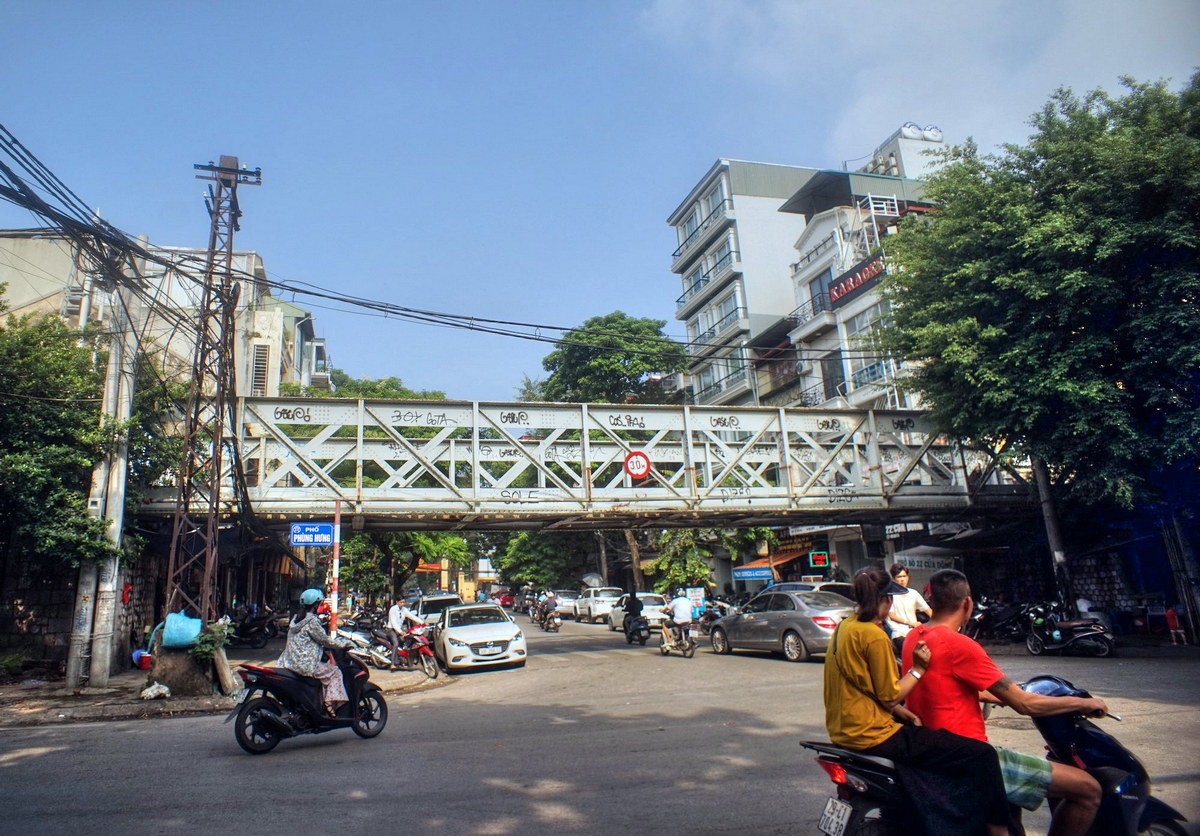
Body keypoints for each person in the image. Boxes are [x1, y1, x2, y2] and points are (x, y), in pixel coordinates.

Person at [902, 569, 1106, 836]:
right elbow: (1026, 705)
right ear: (967, 603)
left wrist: (994, 695)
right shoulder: (960, 645)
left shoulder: (913, 638)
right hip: (972, 756)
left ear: (932, 603)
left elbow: (942, 685)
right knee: (1088, 790)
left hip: (936, 748)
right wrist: (1082, 704)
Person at [824, 566, 1009, 836]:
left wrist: (904, 712)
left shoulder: (845, 627)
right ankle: (998, 828)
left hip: (843, 730)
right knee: (982, 755)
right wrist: (919, 669)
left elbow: (867, 686)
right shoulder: (874, 636)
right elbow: (889, 696)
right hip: (872, 734)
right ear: (886, 600)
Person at [277, 588, 349, 717]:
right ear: (316, 605)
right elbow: (326, 641)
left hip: (288, 663)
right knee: (335, 672)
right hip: (305, 666)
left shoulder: (295, 620)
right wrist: (344, 644)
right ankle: (329, 704)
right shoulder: (312, 622)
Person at [887, 562, 932, 655]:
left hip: (915, 632)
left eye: (904, 576)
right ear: (893, 579)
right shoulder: (890, 595)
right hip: (899, 633)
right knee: (912, 651)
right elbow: (891, 615)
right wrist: (910, 623)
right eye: (899, 577)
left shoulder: (913, 593)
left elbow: (927, 610)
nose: (902, 579)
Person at [386, 596, 427, 669]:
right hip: (391, 630)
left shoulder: (404, 610)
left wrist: (422, 622)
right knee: (396, 644)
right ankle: (392, 663)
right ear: (397, 602)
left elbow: (412, 616)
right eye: (401, 602)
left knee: (408, 642)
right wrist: (400, 632)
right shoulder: (393, 609)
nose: (402, 604)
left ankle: (405, 659)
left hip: (399, 630)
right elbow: (393, 623)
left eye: (403, 602)